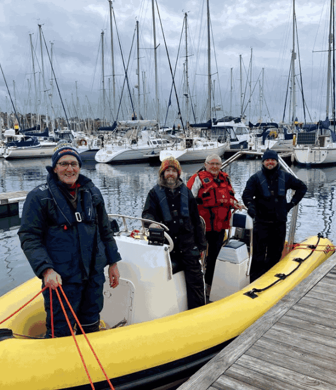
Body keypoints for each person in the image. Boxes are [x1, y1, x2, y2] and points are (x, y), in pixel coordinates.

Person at [18, 145, 122, 338]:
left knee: (91, 324)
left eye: (74, 164)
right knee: (61, 331)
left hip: (92, 276)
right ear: (55, 168)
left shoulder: (93, 193)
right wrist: (46, 269)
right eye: (64, 163)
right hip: (61, 280)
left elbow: (105, 231)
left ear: (79, 167)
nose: (69, 169)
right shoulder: (39, 198)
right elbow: (29, 237)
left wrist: (113, 263)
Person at [142, 157, 207, 309]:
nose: (170, 174)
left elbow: (196, 220)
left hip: (187, 244)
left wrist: (201, 245)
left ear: (178, 174)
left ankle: (197, 311)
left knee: (196, 280)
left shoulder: (186, 192)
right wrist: (152, 223)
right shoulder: (154, 193)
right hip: (166, 246)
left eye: (173, 171)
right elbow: (147, 214)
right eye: (168, 171)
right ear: (162, 173)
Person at [242, 149, 307, 282]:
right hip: (261, 223)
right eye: (267, 160)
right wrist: (251, 206)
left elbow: (302, 187)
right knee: (258, 255)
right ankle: (254, 280)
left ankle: (271, 280)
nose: (270, 162)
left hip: (279, 223)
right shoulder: (255, 178)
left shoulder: (286, 177)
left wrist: (292, 203)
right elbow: (246, 195)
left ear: (277, 162)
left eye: (273, 160)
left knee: (276, 253)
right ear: (263, 162)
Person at [187, 154, 242, 296]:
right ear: (205, 164)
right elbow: (188, 199)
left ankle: (209, 285)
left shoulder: (225, 178)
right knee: (198, 255)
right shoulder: (198, 178)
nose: (214, 166)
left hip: (219, 226)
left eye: (217, 164)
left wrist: (234, 203)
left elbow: (228, 196)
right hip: (202, 226)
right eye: (211, 163)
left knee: (214, 256)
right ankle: (196, 285)